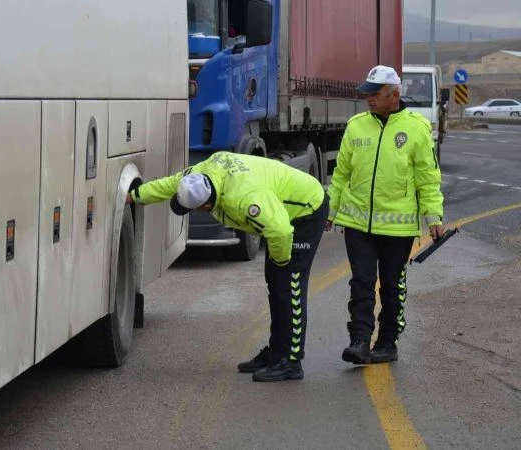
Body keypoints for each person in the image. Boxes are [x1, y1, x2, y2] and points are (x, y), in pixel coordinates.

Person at [127, 151, 328, 382]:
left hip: (306, 210)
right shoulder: (200, 174)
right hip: (280, 212)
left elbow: (281, 231)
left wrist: (282, 263)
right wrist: (134, 196)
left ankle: (291, 361)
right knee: (275, 281)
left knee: (288, 283)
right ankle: (277, 352)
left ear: (206, 205)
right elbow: (168, 185)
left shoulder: (244, 198)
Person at [326, 65, 444, 365]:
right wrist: (331, 210)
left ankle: (387, 341)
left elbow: (427, 178)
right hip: (357, 225)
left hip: (398, 229)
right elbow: (341, 174)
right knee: (361, 283)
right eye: (367, 93)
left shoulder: (416, 128)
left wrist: (434, 217)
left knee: (391, 286)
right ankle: (360, 341)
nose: (368, 99)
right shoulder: (355, 126)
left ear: (394, 95)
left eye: (375, 94)